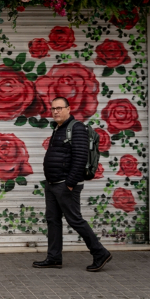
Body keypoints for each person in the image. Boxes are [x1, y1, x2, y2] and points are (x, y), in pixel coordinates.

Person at [35, 96, 112, 272]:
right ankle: (54, 257)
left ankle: (100, 252)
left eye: (59, 108)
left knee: (74, 219)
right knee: (53, 220)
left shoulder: (77, 128)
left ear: (69, 109)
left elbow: (80, 158)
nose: (56, 111)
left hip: (65, 185)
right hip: (52, 183)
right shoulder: (58, 128)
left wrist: (70, 183)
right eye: (53, 108)